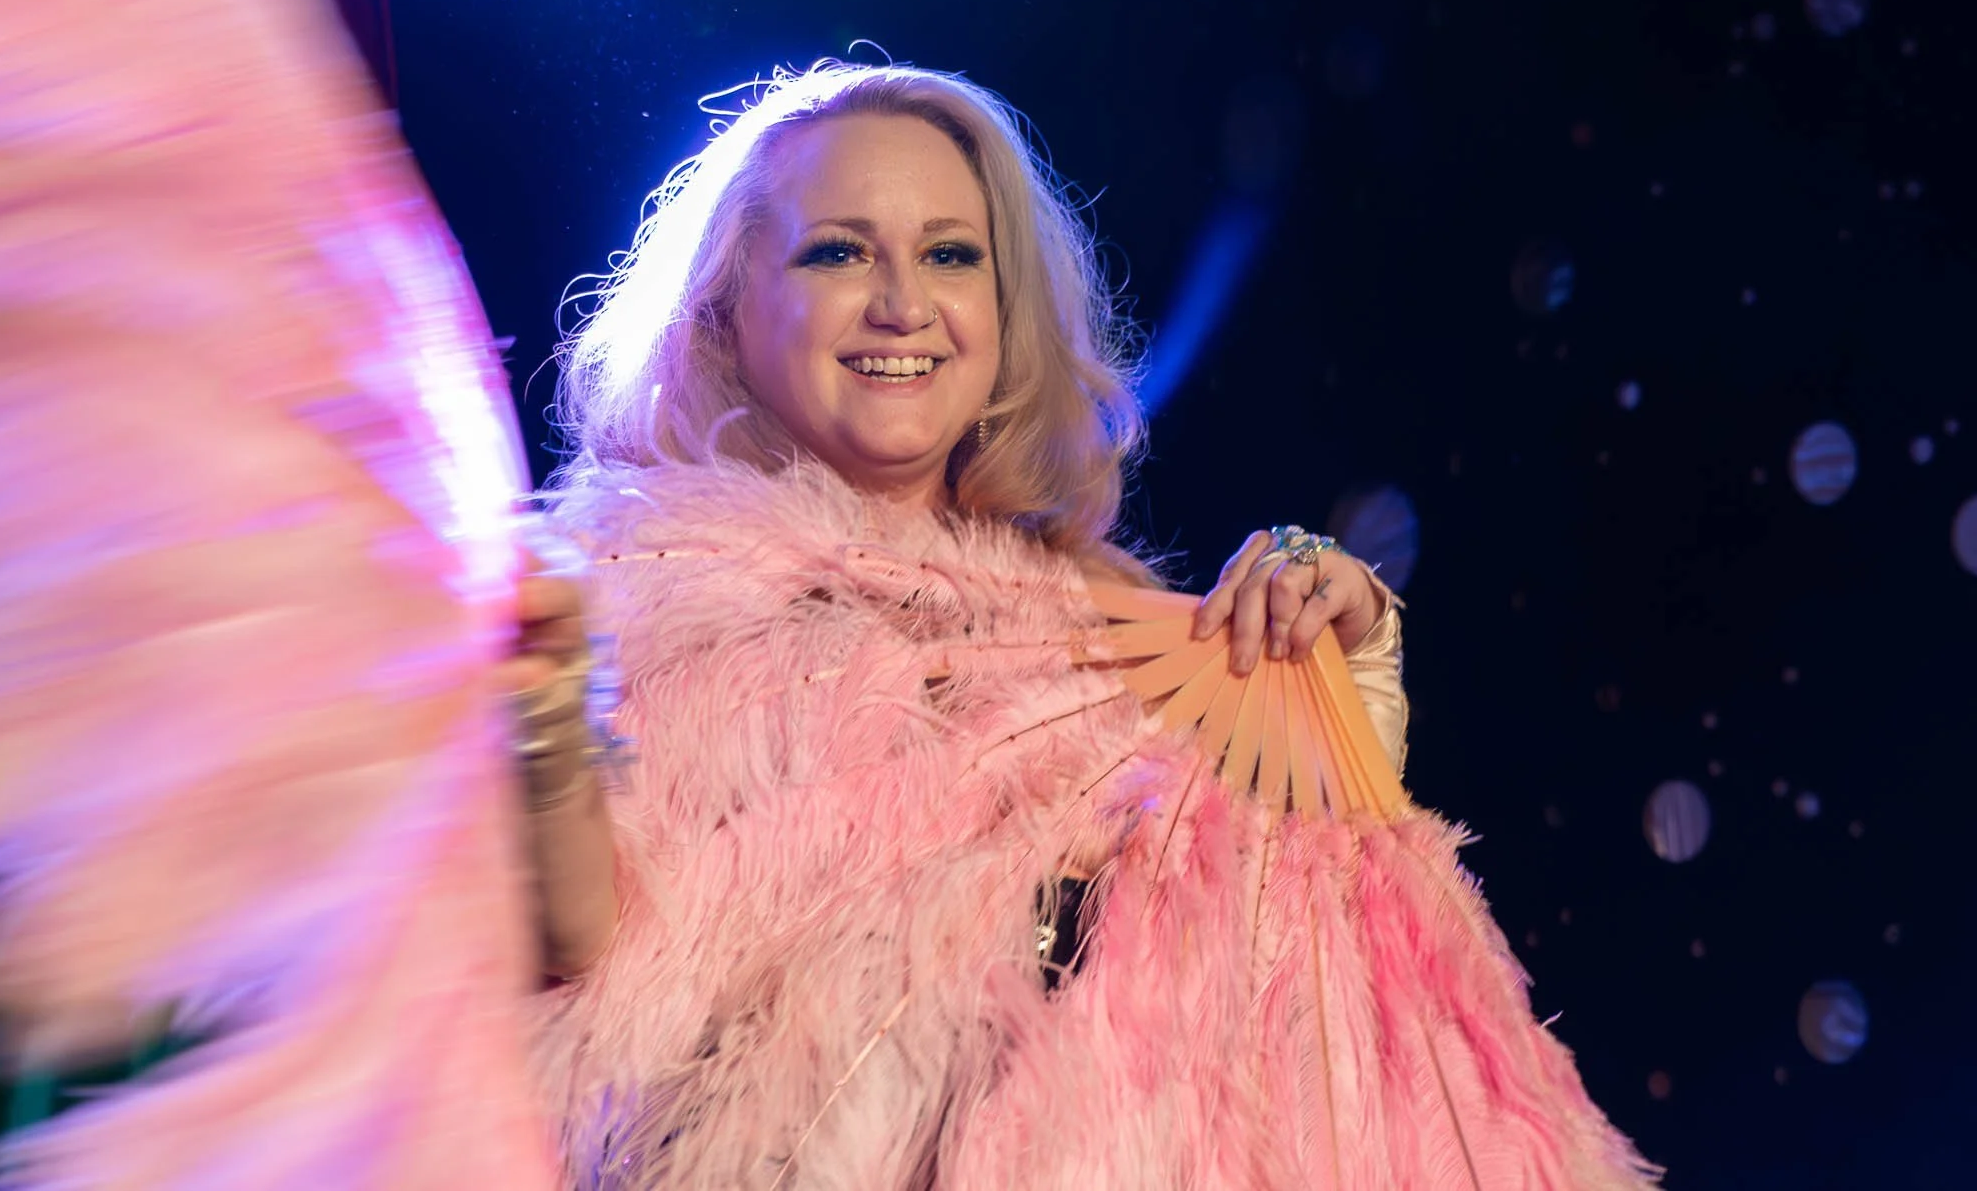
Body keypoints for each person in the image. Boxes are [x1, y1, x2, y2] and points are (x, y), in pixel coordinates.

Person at [496, 62, 1649, 1187]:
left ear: (1004, 315)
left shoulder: (1116, 634)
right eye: (837, 251)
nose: (902, 303)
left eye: (950, 255)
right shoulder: (636, 586)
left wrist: (1339, 682)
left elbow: (1310, 987)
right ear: (724, 311)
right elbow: (584, 963)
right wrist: (547, 725)